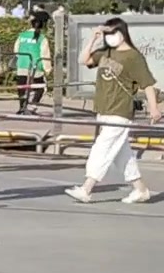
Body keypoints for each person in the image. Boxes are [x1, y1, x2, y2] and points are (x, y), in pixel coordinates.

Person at [68, 18, 160, 205]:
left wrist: (153, 108)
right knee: (121, 153)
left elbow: (147, 84)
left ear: (122, 33)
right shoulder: (105, 52)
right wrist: (93, 39)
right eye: (106, 34)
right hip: (104, 108)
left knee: (102, 147)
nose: (108, 37)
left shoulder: (133, 57)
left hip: (120, 109)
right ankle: (140, 189)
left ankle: (87, 188)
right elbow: (83, 60)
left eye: (111, 33)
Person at [15, 10, 53, 115]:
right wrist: (48, 69)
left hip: (22, 65)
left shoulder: (22, 35)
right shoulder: (42, 38)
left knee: (22, 88)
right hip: (36, 67)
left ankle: (22, 107)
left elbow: (16, 49)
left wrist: (21, 59)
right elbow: (45, 55)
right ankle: (31, 108)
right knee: (40, 88)